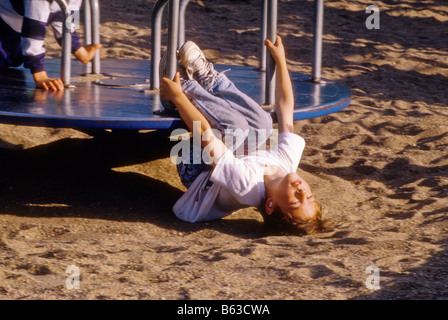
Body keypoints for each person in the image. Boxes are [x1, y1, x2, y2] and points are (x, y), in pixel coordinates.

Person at [160, 35, 326, 235]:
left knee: (235, 126)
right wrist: (281, 60)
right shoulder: (288, 163)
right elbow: (285, 109)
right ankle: (208, 79)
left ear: (270, 205)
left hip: (195, 171)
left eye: (295, 200)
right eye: (309, 197)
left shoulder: (245, 186)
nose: (302, 191)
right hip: (224, 157)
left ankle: (183, 84)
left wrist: (178, 97)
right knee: (264, 124)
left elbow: (205, 134)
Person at [0, 0, 102, 91]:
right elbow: (33, 31)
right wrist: (39, 74)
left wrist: (81, 52)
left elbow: (67, 23)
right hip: (5, 23)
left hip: (16, 29)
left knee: (13, 59)